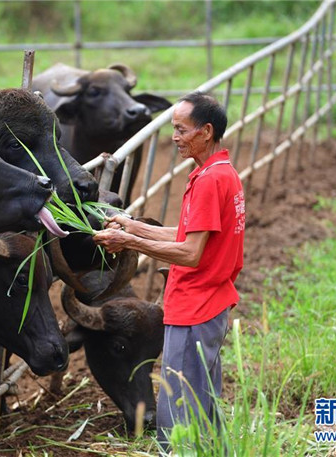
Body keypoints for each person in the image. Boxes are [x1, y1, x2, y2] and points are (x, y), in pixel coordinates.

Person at [93, 91, 245, 453]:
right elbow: (190, 235)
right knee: (203, 402)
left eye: (182, 129)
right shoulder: (220, 173)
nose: (174, 137)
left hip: (195, 307)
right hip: (210, 303)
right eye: (173, 129)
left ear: (206, 131)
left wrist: (129, 242)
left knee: (178, 409)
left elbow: (190, 253)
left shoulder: (209, 181)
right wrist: (132, 226)